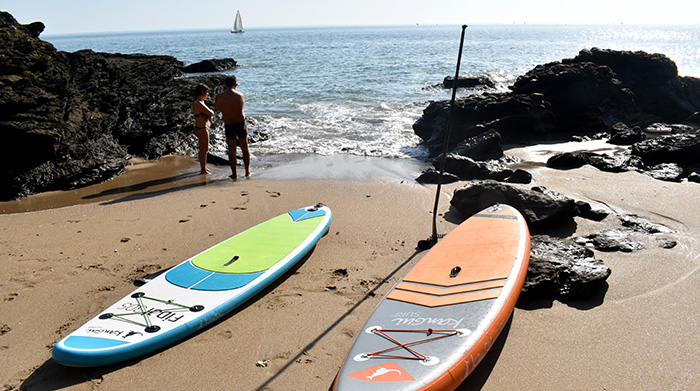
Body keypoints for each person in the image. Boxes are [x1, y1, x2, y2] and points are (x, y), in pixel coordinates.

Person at [214, 75, 251, 179]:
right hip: (240, 123)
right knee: (245, 148)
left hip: (229, 124)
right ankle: (247, 171)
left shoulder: (219, 97)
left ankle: (234, 174)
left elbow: (217, 109)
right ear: (235, 85)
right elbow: (240, 108)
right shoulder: (240, 95)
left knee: (232, 150)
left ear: (225, 84)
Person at [192, 84, 214, 174]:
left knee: (204, 149)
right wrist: (209, 115)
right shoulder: (199, 103)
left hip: (201, 127)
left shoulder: (200, 101)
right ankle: (203, 169)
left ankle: (204, 167)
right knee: (204, 150)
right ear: (202, 92)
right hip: (201, 128)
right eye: (206, 92)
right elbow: (211, 112)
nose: (207, 94)